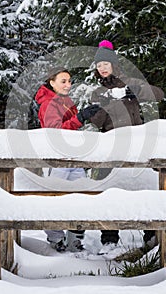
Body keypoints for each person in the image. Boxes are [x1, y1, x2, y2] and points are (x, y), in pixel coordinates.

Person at [89, 40, 164, 250]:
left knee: (143, 189)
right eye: (98, 65)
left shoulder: (130, 82)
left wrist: (137, 91)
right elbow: (98, 123)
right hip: (111, 145)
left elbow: (159, 94)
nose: (102, 68)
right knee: (109, 192)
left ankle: (150, 234)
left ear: (113, 64)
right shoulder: (97, 93)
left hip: (137, 144)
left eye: (105, 64)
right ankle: (110, 238)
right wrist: (98, 110)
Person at [35, 66, 100, 252]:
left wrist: (84, 117)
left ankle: (75, 238)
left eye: (69, 81)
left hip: (73, 157)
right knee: (53, 198)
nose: (68, 84)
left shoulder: (65, 101)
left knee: (81, 196)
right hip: (56, 159)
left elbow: (72, 129)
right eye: (63, 81)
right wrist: (80, 118)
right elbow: (56, 132)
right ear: (52, 83)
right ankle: (56, 239)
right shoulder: (48, 103)